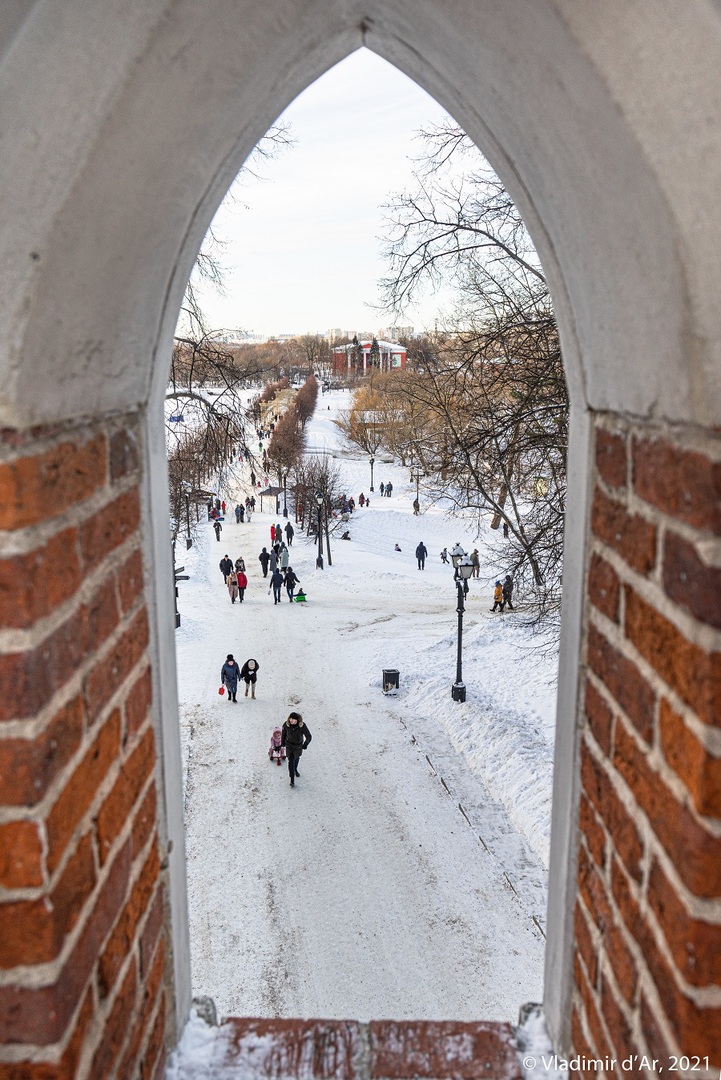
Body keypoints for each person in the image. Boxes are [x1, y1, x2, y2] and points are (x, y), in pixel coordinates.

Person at [281, 711, 312, 787]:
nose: (291, 720)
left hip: (298, 746)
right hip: (289, 745)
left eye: (293, 719)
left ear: (297, 720)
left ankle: (295, 769)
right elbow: (283, 733)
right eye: (290, 718)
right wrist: (283, 743)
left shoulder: (302, 726)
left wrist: (305, 744)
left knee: (296, 758)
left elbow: (309, 736)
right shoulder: (286, 724)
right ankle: (292, 779)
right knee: (290, 761)